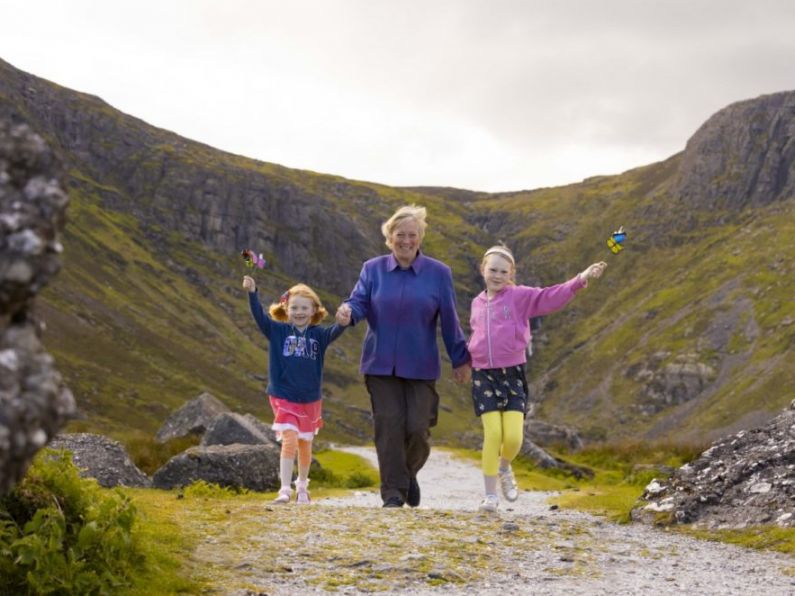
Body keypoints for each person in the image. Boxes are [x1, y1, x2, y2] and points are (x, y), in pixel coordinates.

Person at [335, 205, 471, 508]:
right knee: (388, 426)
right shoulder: (372, 269)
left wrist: (460, 359)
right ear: (389, 238)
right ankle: (393, 493)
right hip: (380, 363)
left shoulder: (439, 273)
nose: (406, 241)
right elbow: (358, 301)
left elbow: (450, 319)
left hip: (421, 365)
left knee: (418, 429)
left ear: (420, 237)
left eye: (412, 235)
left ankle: (408, 474)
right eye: (400, 235)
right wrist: (348, 312)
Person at [467, 244, 606, 512]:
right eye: (492, 269)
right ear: (482, 269)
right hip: (483, 375)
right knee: (493, 434)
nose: (497, 275)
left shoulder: (519, 296)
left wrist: (581, 278)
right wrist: (466, 362)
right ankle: (490, 496)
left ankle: (504, 468)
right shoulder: (476, 303)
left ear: (511, 273)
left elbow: (550, 296)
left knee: (515, 439)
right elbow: (476, 337)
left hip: (513, 375)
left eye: (503, 271)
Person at [243, 275, 345, 505]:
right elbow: (259, 317)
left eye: (304, 308)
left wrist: (344, 320)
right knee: (289, 437)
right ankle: (284, 490)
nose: (299, 312)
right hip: (283, 395)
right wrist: (252, 292)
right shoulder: (277, 331)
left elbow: (337, 330)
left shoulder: (319, 335)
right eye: (294, 307)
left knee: (305, 443)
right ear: (286, 309)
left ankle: (302, 487)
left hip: (310, 399)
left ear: (313, 311)